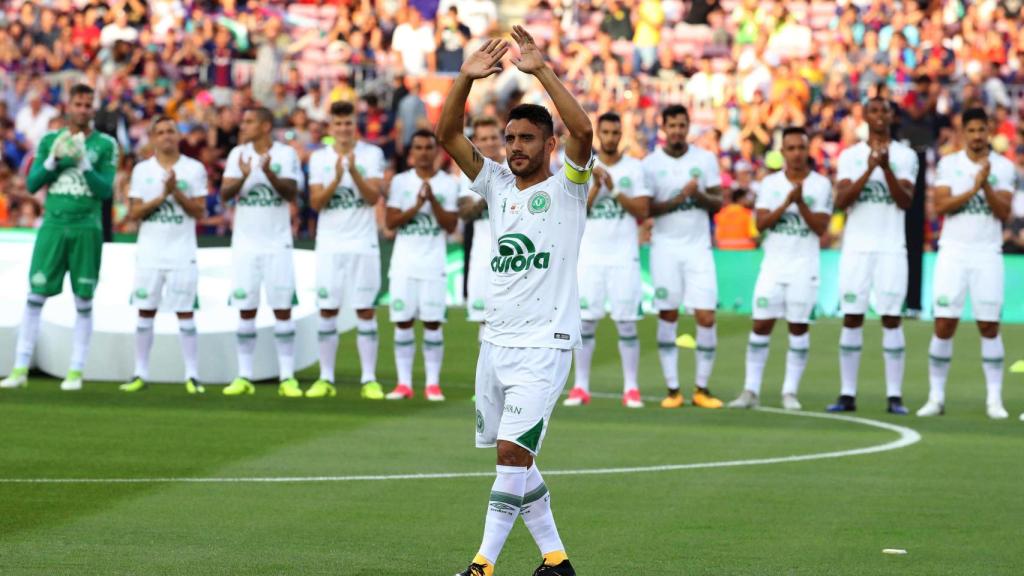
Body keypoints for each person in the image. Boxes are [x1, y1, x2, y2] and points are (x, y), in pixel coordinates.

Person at [436, 26, 592, 576]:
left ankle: (483, 565)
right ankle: (556, 560)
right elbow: (447, 133)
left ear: (549, 145)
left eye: (527, 139)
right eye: (510, 139)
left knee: (510, 456)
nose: (516, 148)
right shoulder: (498, 184)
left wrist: (541, 70)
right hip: (495, 342)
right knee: (517, 461)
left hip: (543, 346)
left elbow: (584, 128)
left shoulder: (568, 186)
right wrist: (464, 77)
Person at [1, 84, 117, 392]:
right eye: (77, 103)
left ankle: (76, 370)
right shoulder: (51, 140)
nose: (82, 109)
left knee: (83, 300)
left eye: (87, 104)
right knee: (35, 296)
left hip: (86, 228)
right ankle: (20, 367)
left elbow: (106, 191)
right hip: (53, 226)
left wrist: (85, 166)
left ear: (92, 108)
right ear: (68, 107)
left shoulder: (105, 144)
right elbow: (32, 183)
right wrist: (52, 161)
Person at [917, 108, 1013, 420]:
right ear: (963, 132)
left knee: (989, 325)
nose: (976, 136)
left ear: (989, 132)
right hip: (953, 252)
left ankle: (994, 400)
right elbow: (941, 206)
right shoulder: (949, 164)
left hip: (987, 253)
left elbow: (1003, 213)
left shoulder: (1004, 167)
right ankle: (936, 396)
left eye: (981, 130)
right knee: (944, 323)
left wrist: (985, 185)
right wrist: (974, 187)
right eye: (971, 130)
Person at [728, 127, 832, 410]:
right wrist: (788, 202)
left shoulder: (821, 185)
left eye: (801, 147)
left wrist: (801, 204)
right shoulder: (771, 184)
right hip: (773, 265)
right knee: (761, 324)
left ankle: (790, 391)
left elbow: (821, 228)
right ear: (783, 152)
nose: (797, 153)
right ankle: (750, 390)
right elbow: (760, 224)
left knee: (798, 327)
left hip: (804, 266)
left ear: (807, 150)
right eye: (791, 148)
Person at [829, 97, 918, 414]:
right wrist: (869, 170)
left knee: (891, 318)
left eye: (884, 111)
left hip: (891, 247)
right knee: (852, 316)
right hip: (856, 248)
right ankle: (847, 393)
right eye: (874, 111)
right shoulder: (851, 156)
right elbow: (842, 200)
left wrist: (886, 169)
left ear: (892, 116)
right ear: (865, 116)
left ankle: (894, 396)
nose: (880, 116)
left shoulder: (905, 156)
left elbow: (905, 200)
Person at [563, 111, 650, 409]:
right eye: (607, 132)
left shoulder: (634, 168)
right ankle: (581, 387)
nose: (611, 137)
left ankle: (632, 388)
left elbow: (642, 210)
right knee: (585, 324)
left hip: (624, 257)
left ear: (621, 135)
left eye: (616, 132)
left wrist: (615, 189)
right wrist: (597, 187)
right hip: (590, 257)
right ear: (599, 134)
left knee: (626, 324)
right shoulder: (583, 167)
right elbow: (573, 213)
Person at [643, 104, 725, 410]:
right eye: (672, 125)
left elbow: (718, 202)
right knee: (668, 314)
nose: (677, 130)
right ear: (663, 128)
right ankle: (673, 390)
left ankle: (701, 388)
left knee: (706, 316)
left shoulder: (705, 160)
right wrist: (679, 198)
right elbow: (646, 209)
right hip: (664, 248)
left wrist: (698, 196)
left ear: (688, 127)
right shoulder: (650, 164)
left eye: (682, 125)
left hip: (698, 249)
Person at [118, 116, 207, 394]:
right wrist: (161, 196)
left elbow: (200, 211)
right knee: (145, 311)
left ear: (178, 136)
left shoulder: (194, 169)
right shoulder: (142, 170)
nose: (167, 136)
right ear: (153, 138)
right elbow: (133, 213)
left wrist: (176, 192)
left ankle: (192, 375)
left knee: (185, 312)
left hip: (182, 251)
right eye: (161, 132)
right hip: (150, 252)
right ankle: (140, 372)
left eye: (171, 131)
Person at [219, 107, 302, 397]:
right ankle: (244, 375)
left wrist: (268, 174)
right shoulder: (237, 155)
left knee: (282, 308)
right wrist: (243, 177)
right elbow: (225, 195)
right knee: (246, 309)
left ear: (266, 126)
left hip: (277, 244)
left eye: (249, 121)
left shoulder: (285, 154)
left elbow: (292, 193)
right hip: (245, 245)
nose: (243, 125)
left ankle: (287, 376)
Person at [307, 101, 387, 400]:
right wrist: (338, 178)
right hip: (330, 244)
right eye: (338, 124)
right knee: (327, 308)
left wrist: (353, 172)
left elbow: (371, 197)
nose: (343, 129)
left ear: (356, 125)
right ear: (331, 127)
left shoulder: (372, 154)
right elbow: (315, 203)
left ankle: (369, 378)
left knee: (365, 309)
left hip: (362, 244)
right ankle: (326, 377)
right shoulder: (319, 158)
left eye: (348, 123)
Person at [383, 129, 459, 402]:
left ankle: (432, 384)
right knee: (402, 323)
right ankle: (404, 383)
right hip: (404, 265)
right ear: (411, 152)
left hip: (433, 265)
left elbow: (451, 225)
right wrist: (416, 206)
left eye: (429, 147)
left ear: (436, 152)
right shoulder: (401, 182)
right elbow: (390, 223)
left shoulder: (449, 184)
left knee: (432, 323)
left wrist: (433, 201)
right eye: (418, 147)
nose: (424, 152)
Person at [458, 116, 505, 338]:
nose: (489, 143)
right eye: (484, 138)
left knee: (510, 321)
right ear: (475, 141)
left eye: (494, 137)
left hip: (511, 257)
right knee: (484, 323)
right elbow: (465, 213)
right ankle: (486, 374)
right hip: (481, 257)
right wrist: (488, 195)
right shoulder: (467, 173)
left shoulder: (515, 170)